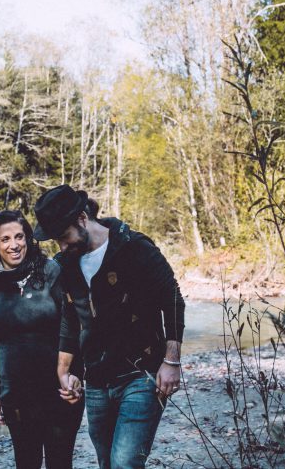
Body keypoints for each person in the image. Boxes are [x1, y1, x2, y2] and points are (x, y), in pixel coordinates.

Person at [33, 185, 185, 469]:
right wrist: (64, 372)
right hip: (97, 381)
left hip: (141, 373)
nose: (61, 247)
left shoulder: (134, 247)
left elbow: (172, 297)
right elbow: (71, 317)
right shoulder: (68, 264)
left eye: (63, 237)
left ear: (81, 219)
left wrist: (171, 360)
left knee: (125, 463)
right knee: (106, 463)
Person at [0, 209, 84, 469]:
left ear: (28, 238)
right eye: (5, 239)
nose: (14, 245)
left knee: (59, 464)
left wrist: (76, 377)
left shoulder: (51, 272)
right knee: (26, 463)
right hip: (15, 396)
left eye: (19, 236)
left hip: (58, 392)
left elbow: (74, 326)